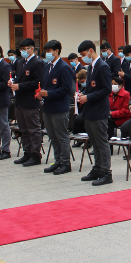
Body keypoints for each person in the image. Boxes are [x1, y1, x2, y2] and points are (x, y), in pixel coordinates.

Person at [77, 40, 113, 185]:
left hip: (99, 111)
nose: (83, 57)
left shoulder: (102, 66)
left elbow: (106, 89)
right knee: (95, 143)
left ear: (91, 51)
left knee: (101, 142)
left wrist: (88, 97)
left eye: (84, 54)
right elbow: (92, 88)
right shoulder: (91, 66)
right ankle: (97, 168)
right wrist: (83, 94)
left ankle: (106, 172)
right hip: (90, 110)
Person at [39, 40, 74, 175]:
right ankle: (58, 160)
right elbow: (46, 85)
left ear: (57, 51)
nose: (47, 54)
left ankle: (66, 162)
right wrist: (41, 93)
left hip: (60, 107)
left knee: (62, 136)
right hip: (48, 106)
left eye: (49, 51)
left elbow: (67, 89)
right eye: (46, 51)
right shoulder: (48, 66)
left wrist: (49, 93)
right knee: (53, 137)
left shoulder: (64, 67)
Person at [8, 38, 45, 167]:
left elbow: (38, 81)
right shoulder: (20, 63)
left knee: (33, 129)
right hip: (20, 100)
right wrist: (13, 83)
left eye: (25, 49)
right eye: (21, 49)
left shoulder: (37, 62)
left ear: (31, 49)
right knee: (23, 129)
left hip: (30, 100)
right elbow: (18, 78)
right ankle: (27, 152)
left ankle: (36, 155)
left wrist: (20, 86)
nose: (23, 51)